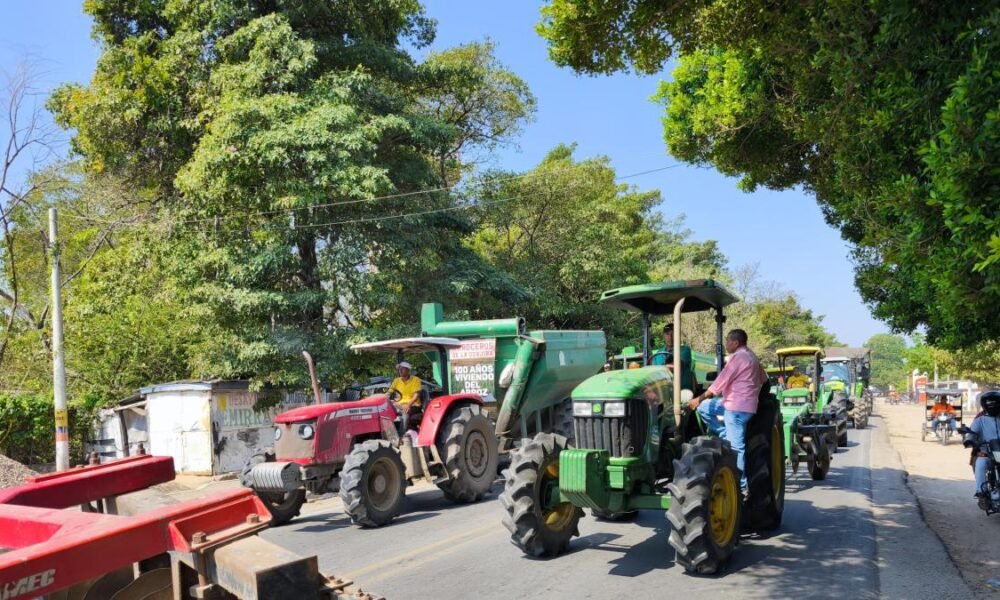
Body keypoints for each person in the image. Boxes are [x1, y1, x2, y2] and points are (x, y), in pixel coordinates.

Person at [687, 329, 767, 490]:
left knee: (736, 448)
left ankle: (741, 488)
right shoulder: (752, 357)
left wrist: (698, 398)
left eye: (728, 341)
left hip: (735, 408)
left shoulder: (738, 358)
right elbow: (763, 379)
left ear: (736, 343)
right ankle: (724, 435)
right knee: (705, 408)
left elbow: (719, 383)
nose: (726, 344)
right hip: (743, 405)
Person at [964, 391, 1000, 500]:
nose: (992, 406)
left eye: (995, 403)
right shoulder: (980, 419)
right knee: (980, 464)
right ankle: (981, 490)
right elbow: (972, 432)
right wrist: (969, 440)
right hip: (986, 452)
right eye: (990, 404)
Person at [651, 323, 693, 389]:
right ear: (664, 335)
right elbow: (652, 372)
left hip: (682, 390)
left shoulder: (684, 350)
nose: (670, 337)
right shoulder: (658, 353)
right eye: (667, 334)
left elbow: (675, 366)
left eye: (673, 334)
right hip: (663, 391)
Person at [388, 362, 423, 431]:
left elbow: (416, 395)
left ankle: (402, 436)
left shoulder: (416, 380)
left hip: (413, 405)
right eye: (399, 369)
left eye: (402, 369)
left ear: (408, 370)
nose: (400, 371)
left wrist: (408, 404)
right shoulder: (396, 381)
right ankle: (388, 434)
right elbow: (389, 392)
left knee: (405, 413)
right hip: (399, 404)